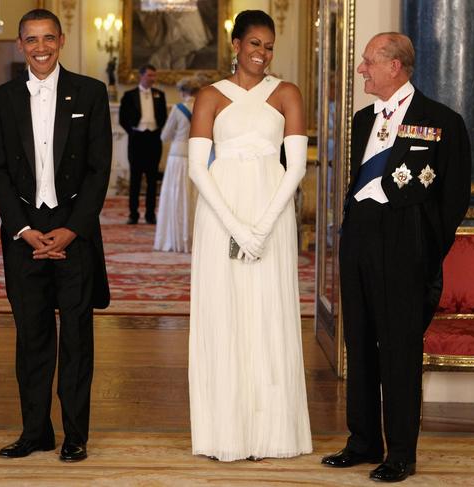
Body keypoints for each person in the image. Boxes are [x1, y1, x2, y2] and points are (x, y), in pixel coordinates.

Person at [321, 33, 471, 482]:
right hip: (360, 242)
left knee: (400, 351)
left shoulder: (441, 120)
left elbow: (453, 197)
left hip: (405, 246)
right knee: (361, 343)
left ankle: (401, 453)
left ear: (395, 66)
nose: (362, 69)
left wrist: (424, 248)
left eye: (369, 62)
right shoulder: (364, 119)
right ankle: (363, 441)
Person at [0, 9, 112, 462]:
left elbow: (100, 170)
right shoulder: (1, 99)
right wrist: (23, 229)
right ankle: (35, 431)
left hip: (74, 233)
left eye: (48, 39)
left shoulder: (91, 93)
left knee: (77, 338)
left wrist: (71, 229)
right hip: (24, 234)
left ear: (61, 39)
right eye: (32, 40)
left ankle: (75, 435)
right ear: (21, 44)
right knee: (32, 337)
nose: (41, 48)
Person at [187, 10, 312, 461]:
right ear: (235, 43)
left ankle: (272, 432)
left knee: (267, 311)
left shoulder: (287, 94)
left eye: (269, 46)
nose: (262, 53)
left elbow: (295, 166)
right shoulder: (209, 96)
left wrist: (261, 228)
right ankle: (226, 432)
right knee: (225, 313)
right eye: (255, 43)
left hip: (272, 211)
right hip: (221, 213)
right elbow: (198, 168)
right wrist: (239, 228)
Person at [153, 75, 202, 252]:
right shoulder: (203, 107)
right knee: (193, 196)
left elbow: (164, 135)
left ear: (182, 92)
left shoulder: (178, 108)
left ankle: (175, 238)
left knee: (175, 197)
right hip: (196, 154)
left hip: (177, 156)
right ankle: (194, 238)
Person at [119, 64, 167, 224]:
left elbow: (163, 117)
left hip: (153, 139)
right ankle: (133, 214)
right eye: (149, 75)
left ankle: (150, 214)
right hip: (136, 139)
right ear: (141, 76)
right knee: (135, 179)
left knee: (152, 179)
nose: (152, 78)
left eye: (154, 76)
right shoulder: (129, 95)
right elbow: (122, 118)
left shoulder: (160, 94)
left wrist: (157, 130)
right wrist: (133, 131)